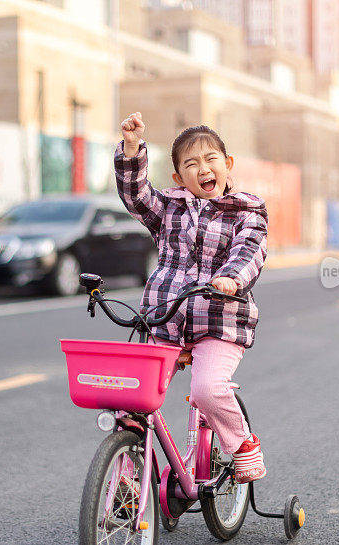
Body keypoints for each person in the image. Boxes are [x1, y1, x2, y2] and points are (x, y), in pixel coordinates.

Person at [115, 112, 268, 483]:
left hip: (220, 324)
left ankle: (243, 443)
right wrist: (133, 149)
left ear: (227, 165)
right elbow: (135, 196)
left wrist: (231, 279)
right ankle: (127, 477)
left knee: (207, 389)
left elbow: (250, 252)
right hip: (164, 318)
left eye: (211, 159)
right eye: (191, 164)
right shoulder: (168, 208)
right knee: (129, 398)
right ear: (179, 178)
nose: (203, 168)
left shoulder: (248, 212)